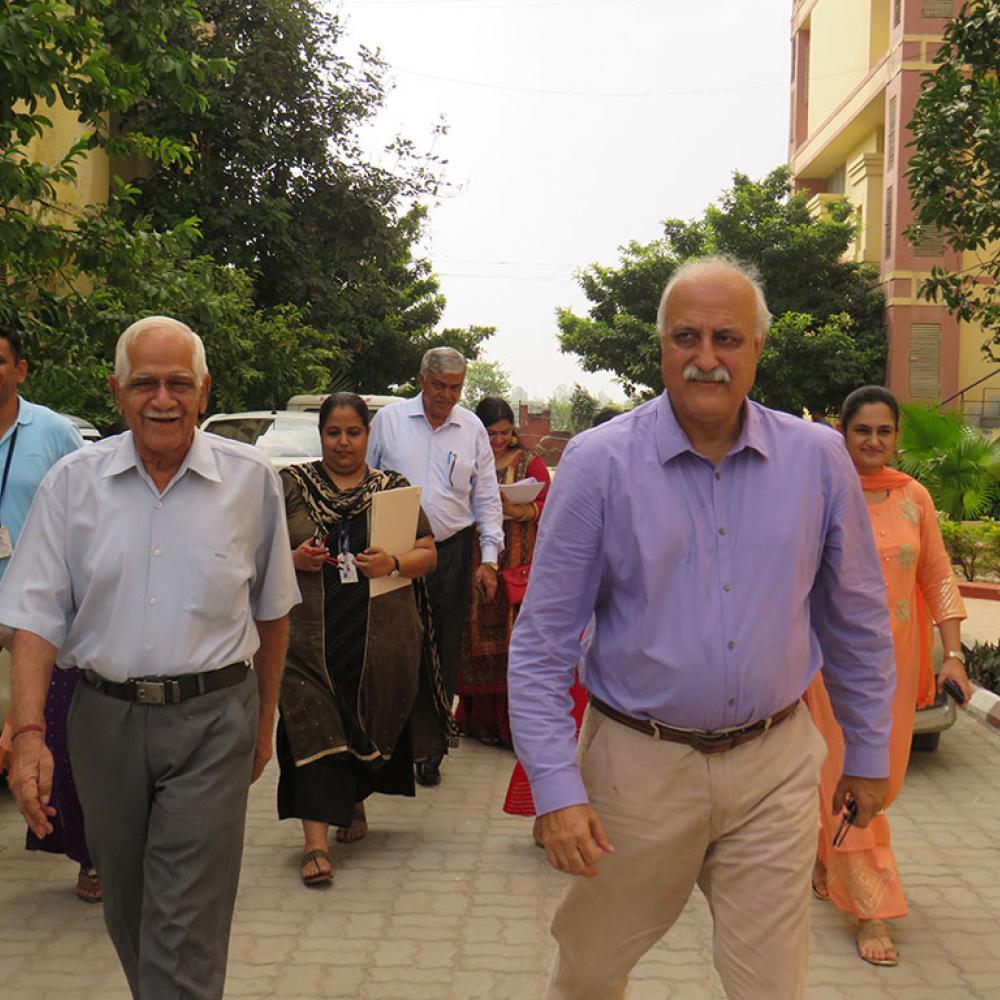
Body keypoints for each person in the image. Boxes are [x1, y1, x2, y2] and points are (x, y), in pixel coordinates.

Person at [507, 256, 897, 1000]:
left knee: (771, 985)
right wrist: (557, 791)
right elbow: (542, 643)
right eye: (687, 336)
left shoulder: (817, 460)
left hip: (775, 766)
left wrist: (870, 753)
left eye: (728, 338)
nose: (707, 357)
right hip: (637, 768)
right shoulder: (599, 464)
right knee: (590, 971)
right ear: (662, 348)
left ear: (757, 349)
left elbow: (856, 622)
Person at [0, 316, 299, 999]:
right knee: (132, 907)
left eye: (178, 383)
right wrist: (27, 735)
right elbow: (36, 621)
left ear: (203, 391)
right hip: (103, 722)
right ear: (117, 392)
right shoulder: (73, 485)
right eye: (144, 384)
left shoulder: (251, 481)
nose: (162, 399)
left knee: (185, 920)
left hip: (214, 718)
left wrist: (264, 724)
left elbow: (274, 611)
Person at [805, 385, 971, 966]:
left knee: (883, 780)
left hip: (895, 668)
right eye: (861, 431)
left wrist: (952, 654)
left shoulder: (914, 498)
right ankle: (871, 908)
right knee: (849, 776)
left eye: (884, 431)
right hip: (829, 665)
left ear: (897, 438)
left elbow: (937, 575)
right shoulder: (824, 493)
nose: (873, 441)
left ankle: (828, 859)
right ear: (842, 436)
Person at [277, 392, 456, 885]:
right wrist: (294, 559)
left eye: (353, 432)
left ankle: (352, 801)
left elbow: (428, 553)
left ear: (368, 436)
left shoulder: (391, 490)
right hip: (307, 638)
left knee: (359, 725)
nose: (343, 442)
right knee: (310, 726)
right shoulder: (291, 485)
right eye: (333, 432)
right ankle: (314, 845)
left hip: (374, 639)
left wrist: (392, 563)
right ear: (320, 436)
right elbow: (256, 547)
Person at [367, 347, 503, 786]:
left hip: (451, 551)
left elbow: (486, 497)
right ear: (422, 380)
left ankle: (433, 747)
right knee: (397, 642)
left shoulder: (472, 428)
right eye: (440, 386)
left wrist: (489, 559)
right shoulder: (389, 421)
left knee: (443, 647)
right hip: (394, 550)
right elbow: (365, 481)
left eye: (456, 387)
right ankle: (391, 739)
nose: (447, 396)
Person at [0, 325, 94, 901]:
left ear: (22, 369)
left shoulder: (55, 433)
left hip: (41, 614)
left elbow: (94, 513)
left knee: (53, 730)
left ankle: (92, 855)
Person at [455, 397, 550, 746]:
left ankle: (513, 726)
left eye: (504, 433)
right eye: (491, 433)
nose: (497, 440)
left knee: (517, 641)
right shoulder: (470, 459)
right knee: (474, 633)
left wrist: (515, 509)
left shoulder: (530, 462)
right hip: (477, 557)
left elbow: (547, 504)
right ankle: (479, 720)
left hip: (518, 562)